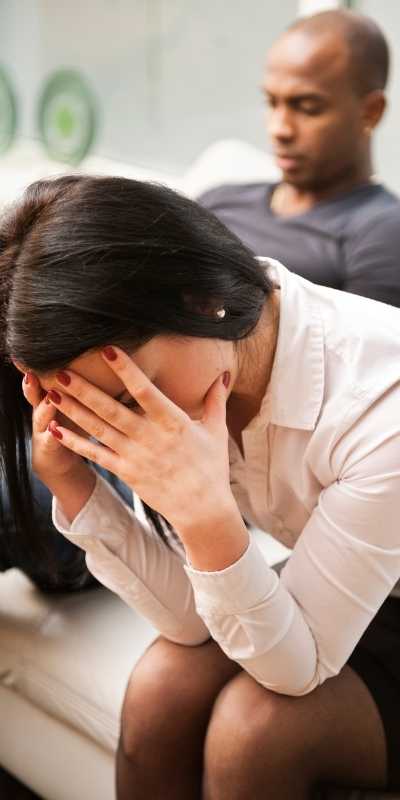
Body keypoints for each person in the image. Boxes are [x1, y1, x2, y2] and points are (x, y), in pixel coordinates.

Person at [1, 174, 400, 799]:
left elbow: (293, 672)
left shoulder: (382, 406)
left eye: (129, 394)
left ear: (199, 299)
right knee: (161, 685)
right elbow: (192, 622)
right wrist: (74, 485)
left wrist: (205, 514)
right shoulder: (208, 360)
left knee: (254, 731)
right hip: (371, 576)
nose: (132, 425)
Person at [200, 9, 400, 306]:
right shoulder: (219, 200)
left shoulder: (383, 232)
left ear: (371, 111)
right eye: (272, 102)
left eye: (307, 107)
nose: (279, 128)